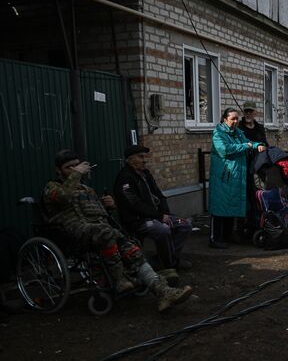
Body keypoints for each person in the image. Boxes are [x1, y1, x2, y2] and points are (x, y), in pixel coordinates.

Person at [42, 149, 193, 312]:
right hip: (73, 231)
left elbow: (105, 216)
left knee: (130, 247)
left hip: (100, 231)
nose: (73, 170)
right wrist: (77, 174)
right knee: (107, 232)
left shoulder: (87, 190)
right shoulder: (52, 187)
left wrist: (110, 206)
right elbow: (62, 197)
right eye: (68, 168)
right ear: (59, 170)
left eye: (76, 166)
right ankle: (120, 280)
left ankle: (163, 291)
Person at [113, 145, 192, 286]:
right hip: (138, 220)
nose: (145, 160)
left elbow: (159, 195)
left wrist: (165, 213)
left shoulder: (145, 174)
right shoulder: (125, 178)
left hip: (156, 215)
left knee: (184, 224)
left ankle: (166, 259)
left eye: (145, 157)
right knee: (162, 230)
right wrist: (159, 216)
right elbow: (135, 205)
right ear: (130, 160)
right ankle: (169, 266)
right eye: (141, 157)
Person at [208, 107, 266, 248]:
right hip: (223, 177)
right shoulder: (218, 134)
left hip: (235, 177)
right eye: (232, 118)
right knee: (219, 209)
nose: (235, 121)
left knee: (229, 207)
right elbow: (225, 150)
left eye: (236, 118)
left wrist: (258, 145)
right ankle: (215, 239)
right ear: (225, 119)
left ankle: (227, 236)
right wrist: (246, 146)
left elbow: (249, 142)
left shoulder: (238, 133)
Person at [238, 101, 268, 240]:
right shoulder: (239, 127)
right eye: (246, 111)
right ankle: (244, 226)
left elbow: (265, 144)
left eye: (251, 111)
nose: (248, 113)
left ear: (255, 112)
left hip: (258, 166)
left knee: (257, 194)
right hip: (244, 166)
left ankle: (257, 224)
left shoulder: (259, 127)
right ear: (243, 112)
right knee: (246, 196)